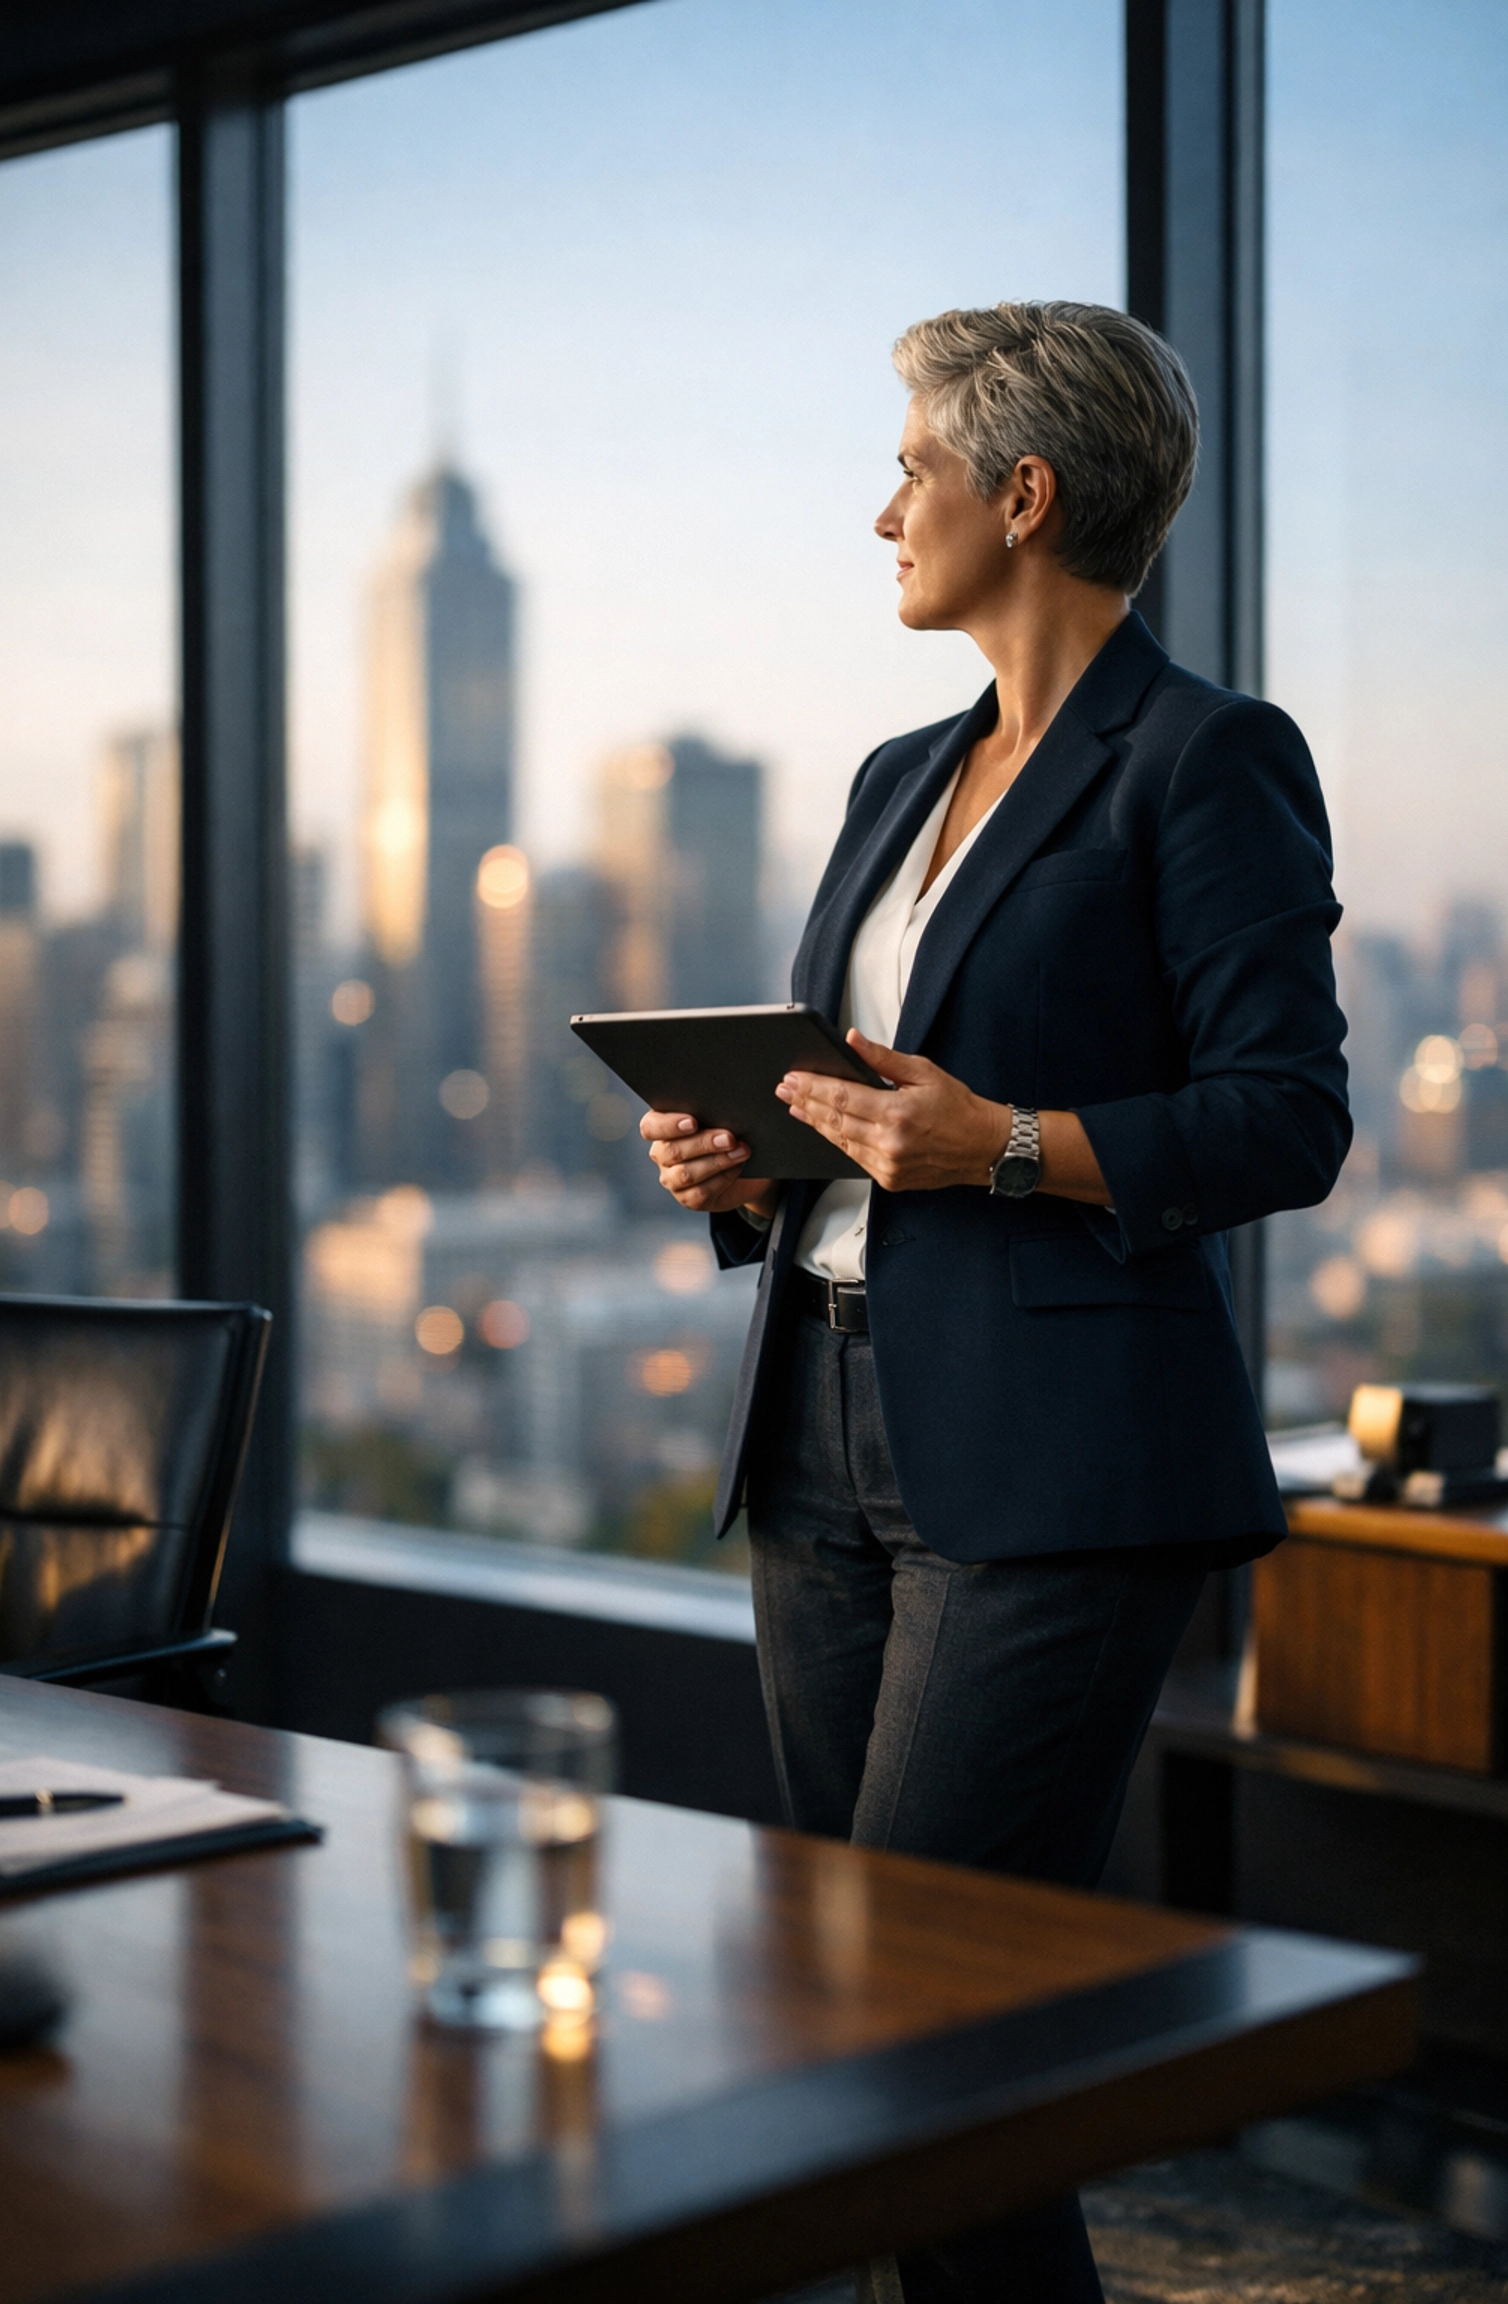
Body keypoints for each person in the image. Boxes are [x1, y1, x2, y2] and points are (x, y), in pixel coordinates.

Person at [641, 301, 1349, 2304]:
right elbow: (872, 1109)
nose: (885, 514)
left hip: (1051, 1463)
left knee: (927, 2032)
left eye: (913, 473)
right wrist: (753, 1164)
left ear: (1023, 495)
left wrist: (1012, 1145)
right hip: (818, 1426)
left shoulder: (1203, 760)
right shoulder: (897, 775)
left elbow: (1288, 1115)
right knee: (853, 2016)